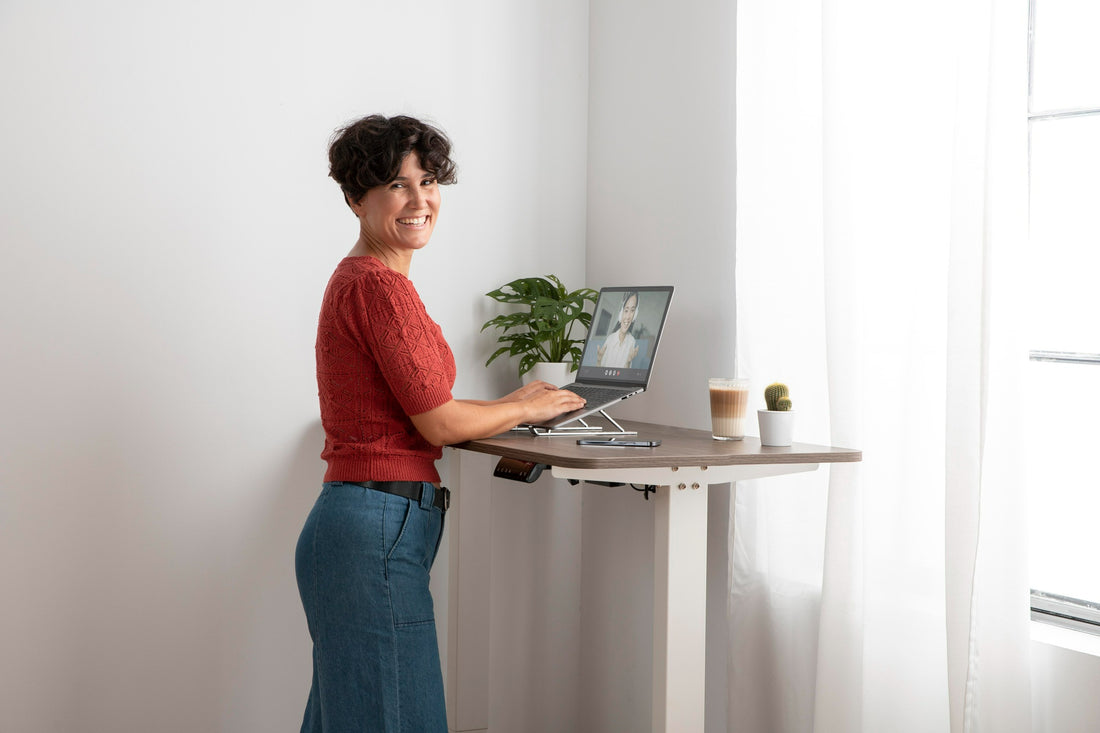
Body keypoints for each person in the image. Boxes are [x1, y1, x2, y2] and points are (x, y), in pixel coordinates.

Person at [295, 115, 585, 733]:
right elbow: (438, 423)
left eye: (428, 181)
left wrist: (512, 403)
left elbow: (428, 406)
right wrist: (527, 409)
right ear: (355, 198)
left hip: (362, 528)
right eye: (397, 185)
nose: (420, 199)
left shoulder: (369, 281)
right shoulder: (380, 289)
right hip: (374, 531)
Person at [596, 291, 641, 368]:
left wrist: (628, 361)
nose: (628, 317)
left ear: (635, 314)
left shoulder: (632, 341)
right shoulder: (610, 339)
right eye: (626, 310)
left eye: (632, 310)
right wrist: (599, 359)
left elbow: (625, 375)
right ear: (621, 313)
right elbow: (599, 372)